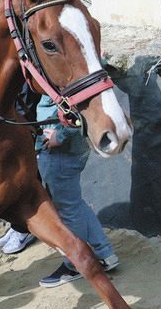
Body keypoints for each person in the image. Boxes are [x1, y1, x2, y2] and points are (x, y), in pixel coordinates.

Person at [35, 95, 121, 287]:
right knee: (73, 203)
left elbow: (80, 104)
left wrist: (62, 135)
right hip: (67, 149)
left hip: (60, 151)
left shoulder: (62, 69)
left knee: (67, 210)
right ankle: (105, 253)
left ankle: (74, 266)